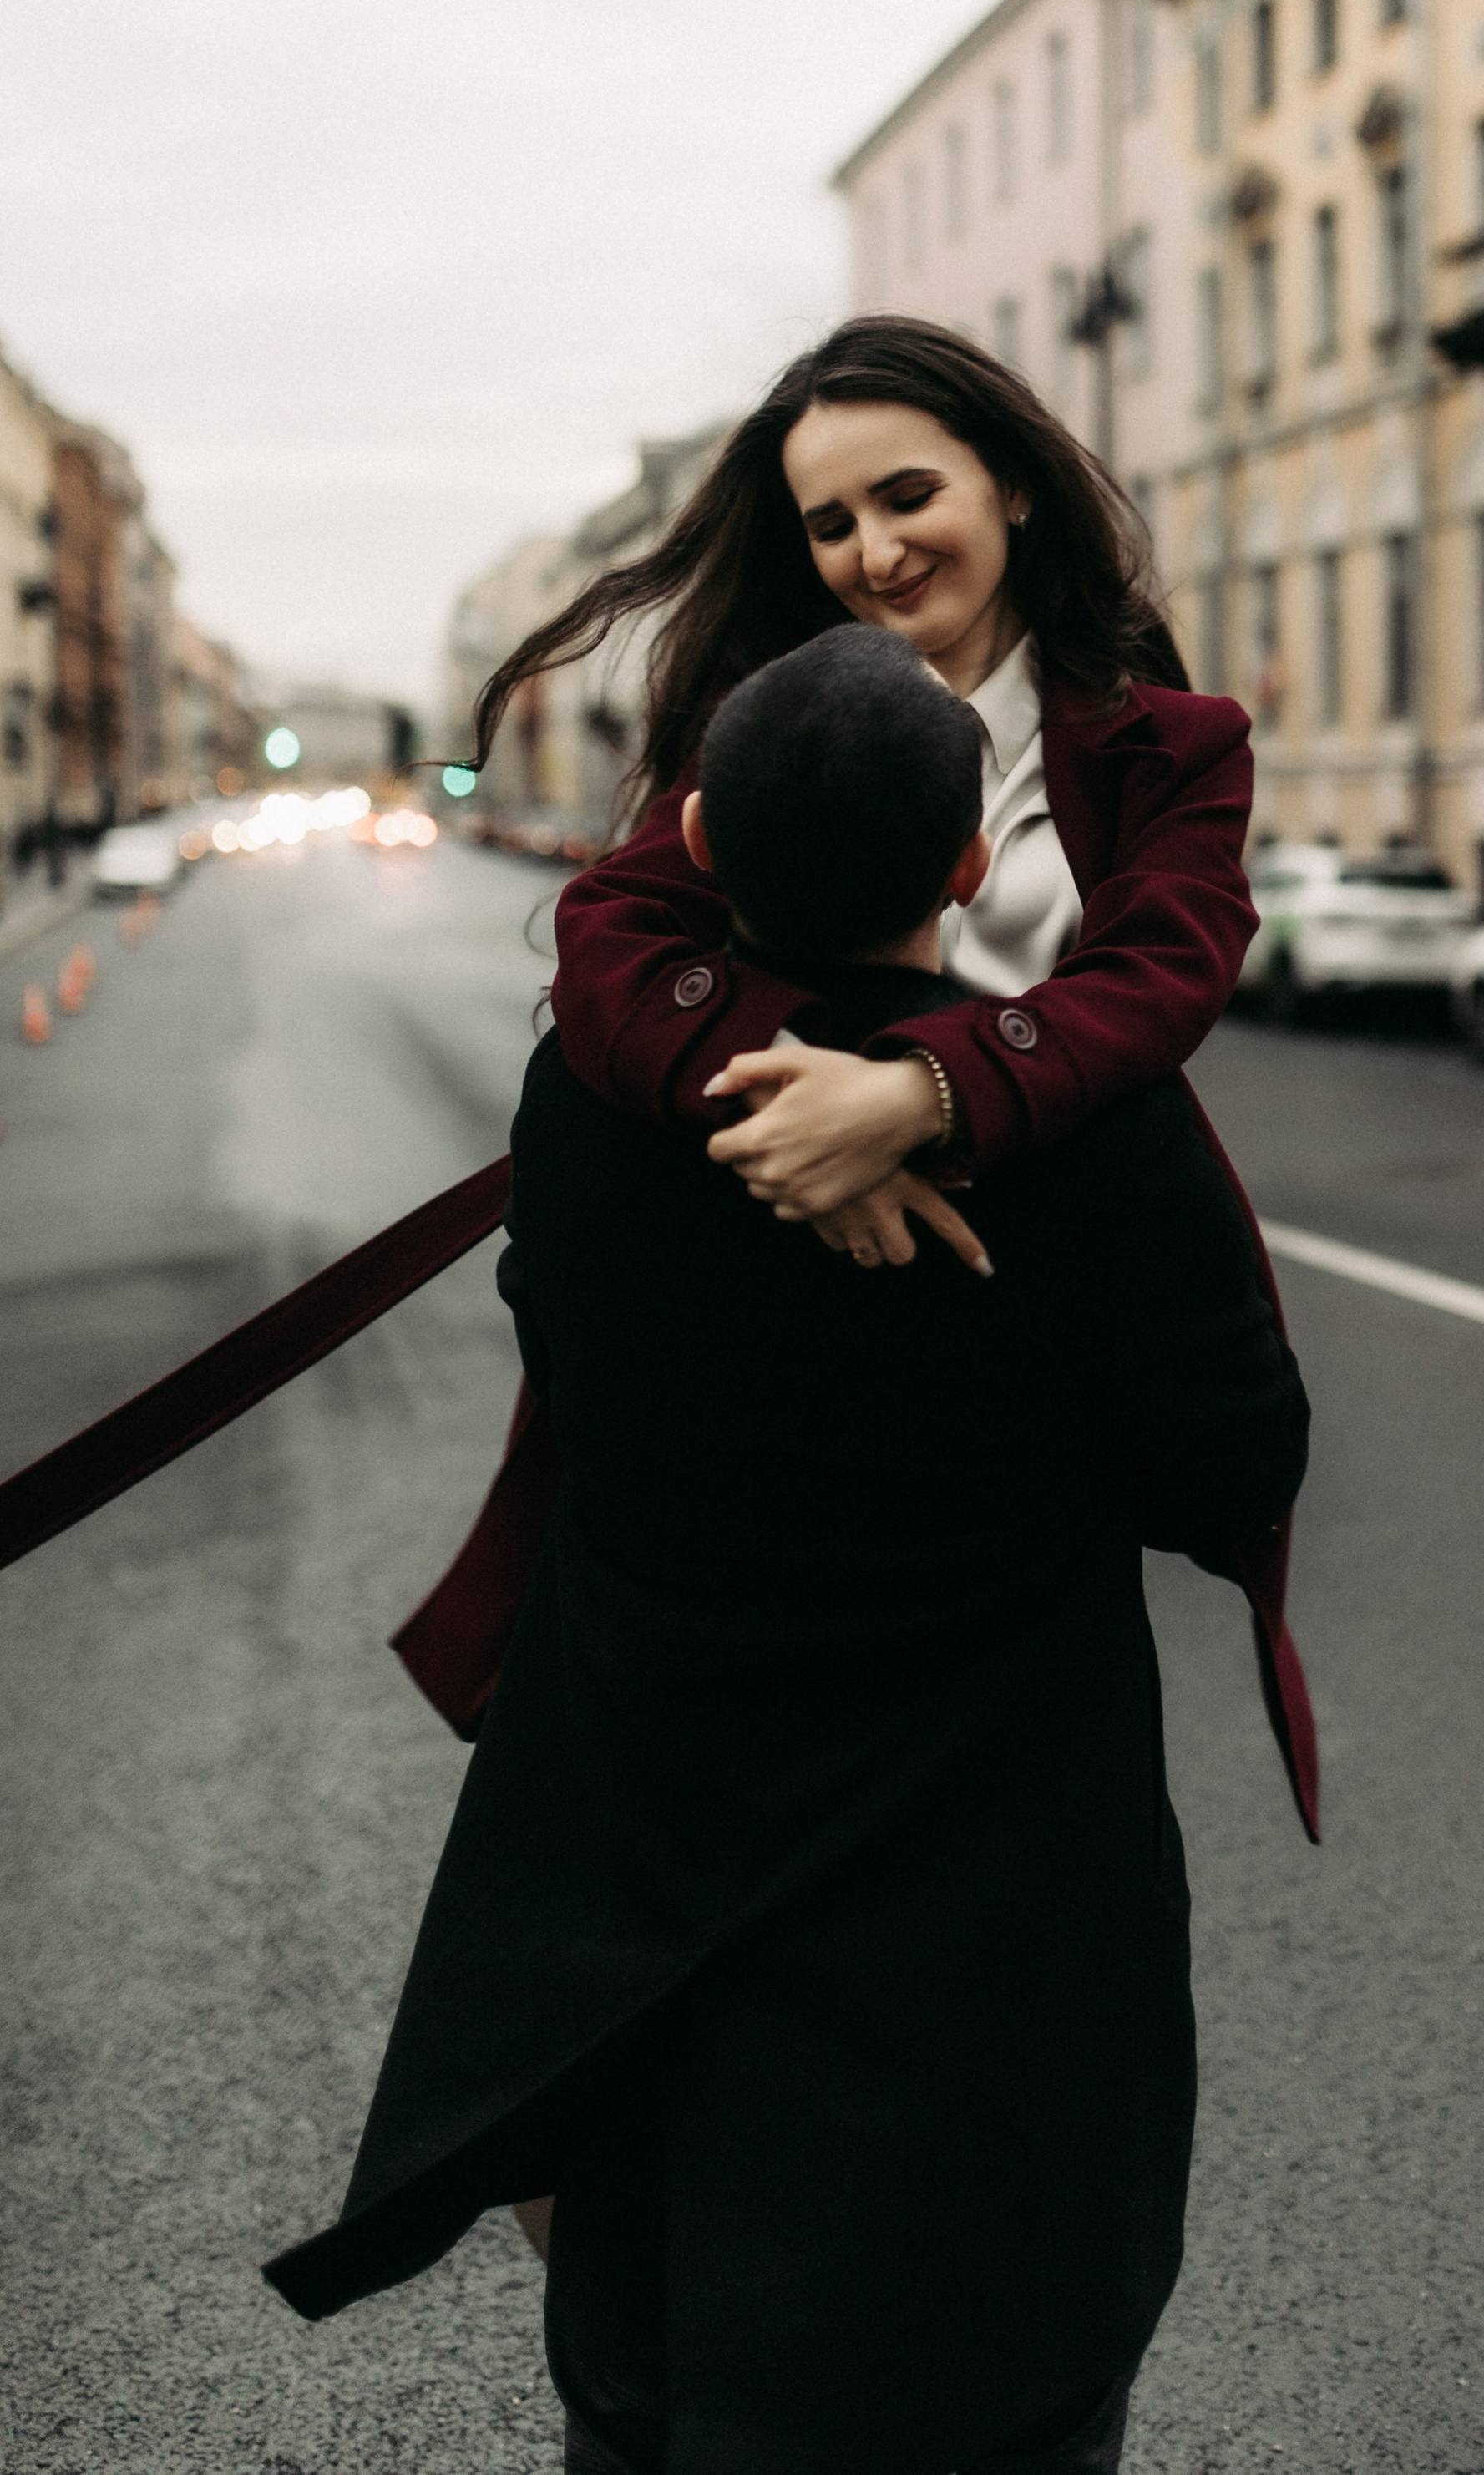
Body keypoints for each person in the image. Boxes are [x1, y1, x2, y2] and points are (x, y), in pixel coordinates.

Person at [266, 622, 1312, 2475]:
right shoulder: (1088, 1137)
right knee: (1002, 2391)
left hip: (657, 1869)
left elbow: (572, 1340)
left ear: (697, 842)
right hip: (993, 1900)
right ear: (973, 866)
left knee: (657, 2398)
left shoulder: (605, 1098)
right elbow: (1232, 1458)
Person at [398, 316, 1315, 1831]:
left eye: (906, 497)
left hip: (1016, 1287)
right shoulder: (776, 720)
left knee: (987, 1749)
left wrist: (920, 1092)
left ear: (1012, 486)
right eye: (828, 522)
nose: (871, 552)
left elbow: (1165, 972)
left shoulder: (1168, 746)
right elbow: (611, 933)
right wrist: (804, 1111)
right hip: (775, 1268)